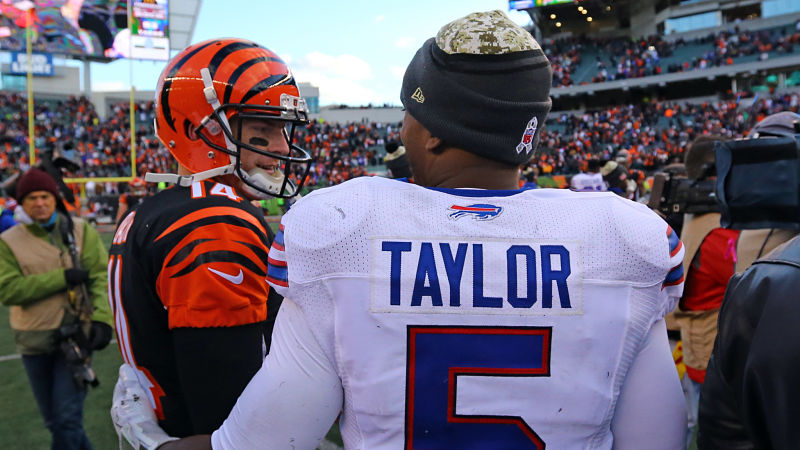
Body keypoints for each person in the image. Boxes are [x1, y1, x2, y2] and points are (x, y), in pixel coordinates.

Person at [113, 11, 687, 450]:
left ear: (433, 131)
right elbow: (659, 438)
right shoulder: (624, 238)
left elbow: (261, 443)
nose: (403, 129)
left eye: (409, 114)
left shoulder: (342, 231)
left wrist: (150, 440)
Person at [106, 37, 313, 442]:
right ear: (197, 129)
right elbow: (231, 422)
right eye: (263, 129)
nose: (282, 147)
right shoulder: (214, 221)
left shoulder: (154, 210)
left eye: (283, 129)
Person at [0, 168, 112, 450]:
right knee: (56, 422)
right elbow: (8, 290)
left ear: (55, 198)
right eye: (32, 198)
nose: (39, 203)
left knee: (66, 420)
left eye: (45, 196)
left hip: (76, 335)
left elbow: (101, 277)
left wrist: (102, 319)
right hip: (33, 339)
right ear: (22, 203)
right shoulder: (8, 241)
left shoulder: (80, 230)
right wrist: (61, 278)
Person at [667, 135, 740, 446]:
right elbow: (751, 280)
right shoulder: (716, 228)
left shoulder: (703, 213)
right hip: (715, 360)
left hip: (707, 350)